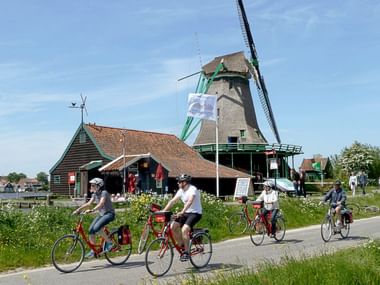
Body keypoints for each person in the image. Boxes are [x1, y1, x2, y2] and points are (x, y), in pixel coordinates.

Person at [162, 174, 202, 262]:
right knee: (173, 227)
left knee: (184, 229)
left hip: (195, 213)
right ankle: (183, 244)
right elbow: (173, 201)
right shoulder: (181, 190)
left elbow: (190, 201)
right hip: (186, 213)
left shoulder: (192, 189)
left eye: (180, 182)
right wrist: (163, 211)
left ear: (185, 182)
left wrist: (182, 211)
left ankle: (186, 253)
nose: (178, 183)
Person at [72, 178, 115, 258]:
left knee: (97, 228)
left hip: (109, 214)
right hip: (102, 215)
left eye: (93, 185)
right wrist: (78, 210)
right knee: (91, 230)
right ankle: (93, 251)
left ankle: (110, 243)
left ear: (99, 186)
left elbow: (101, 203)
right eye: (91, 185)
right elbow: (88, 203)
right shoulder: (95, 194)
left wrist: (92, 210)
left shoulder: (104, 193)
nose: (91, 187)